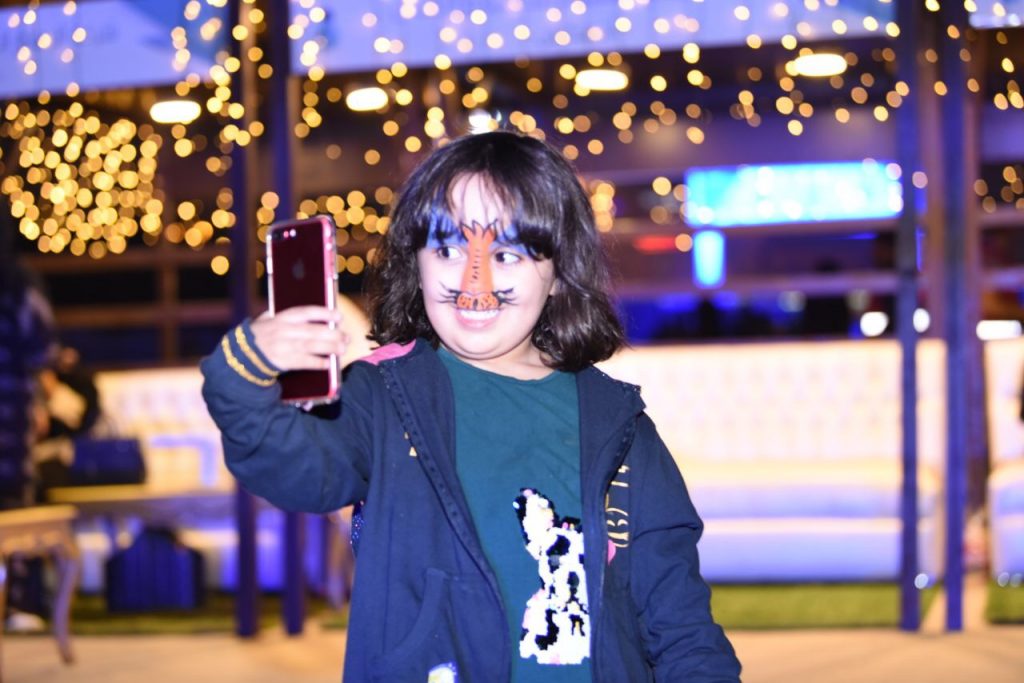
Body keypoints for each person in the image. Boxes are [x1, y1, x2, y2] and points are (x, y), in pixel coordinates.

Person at [201, 131, 740, 682]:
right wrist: (243, 371)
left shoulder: (620, 428)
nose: (471, 281)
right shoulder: (382, 399)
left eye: (506, 255)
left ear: (559, 274)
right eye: (447, 250)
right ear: (416, 262)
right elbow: (296, 473)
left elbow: (681, 626)